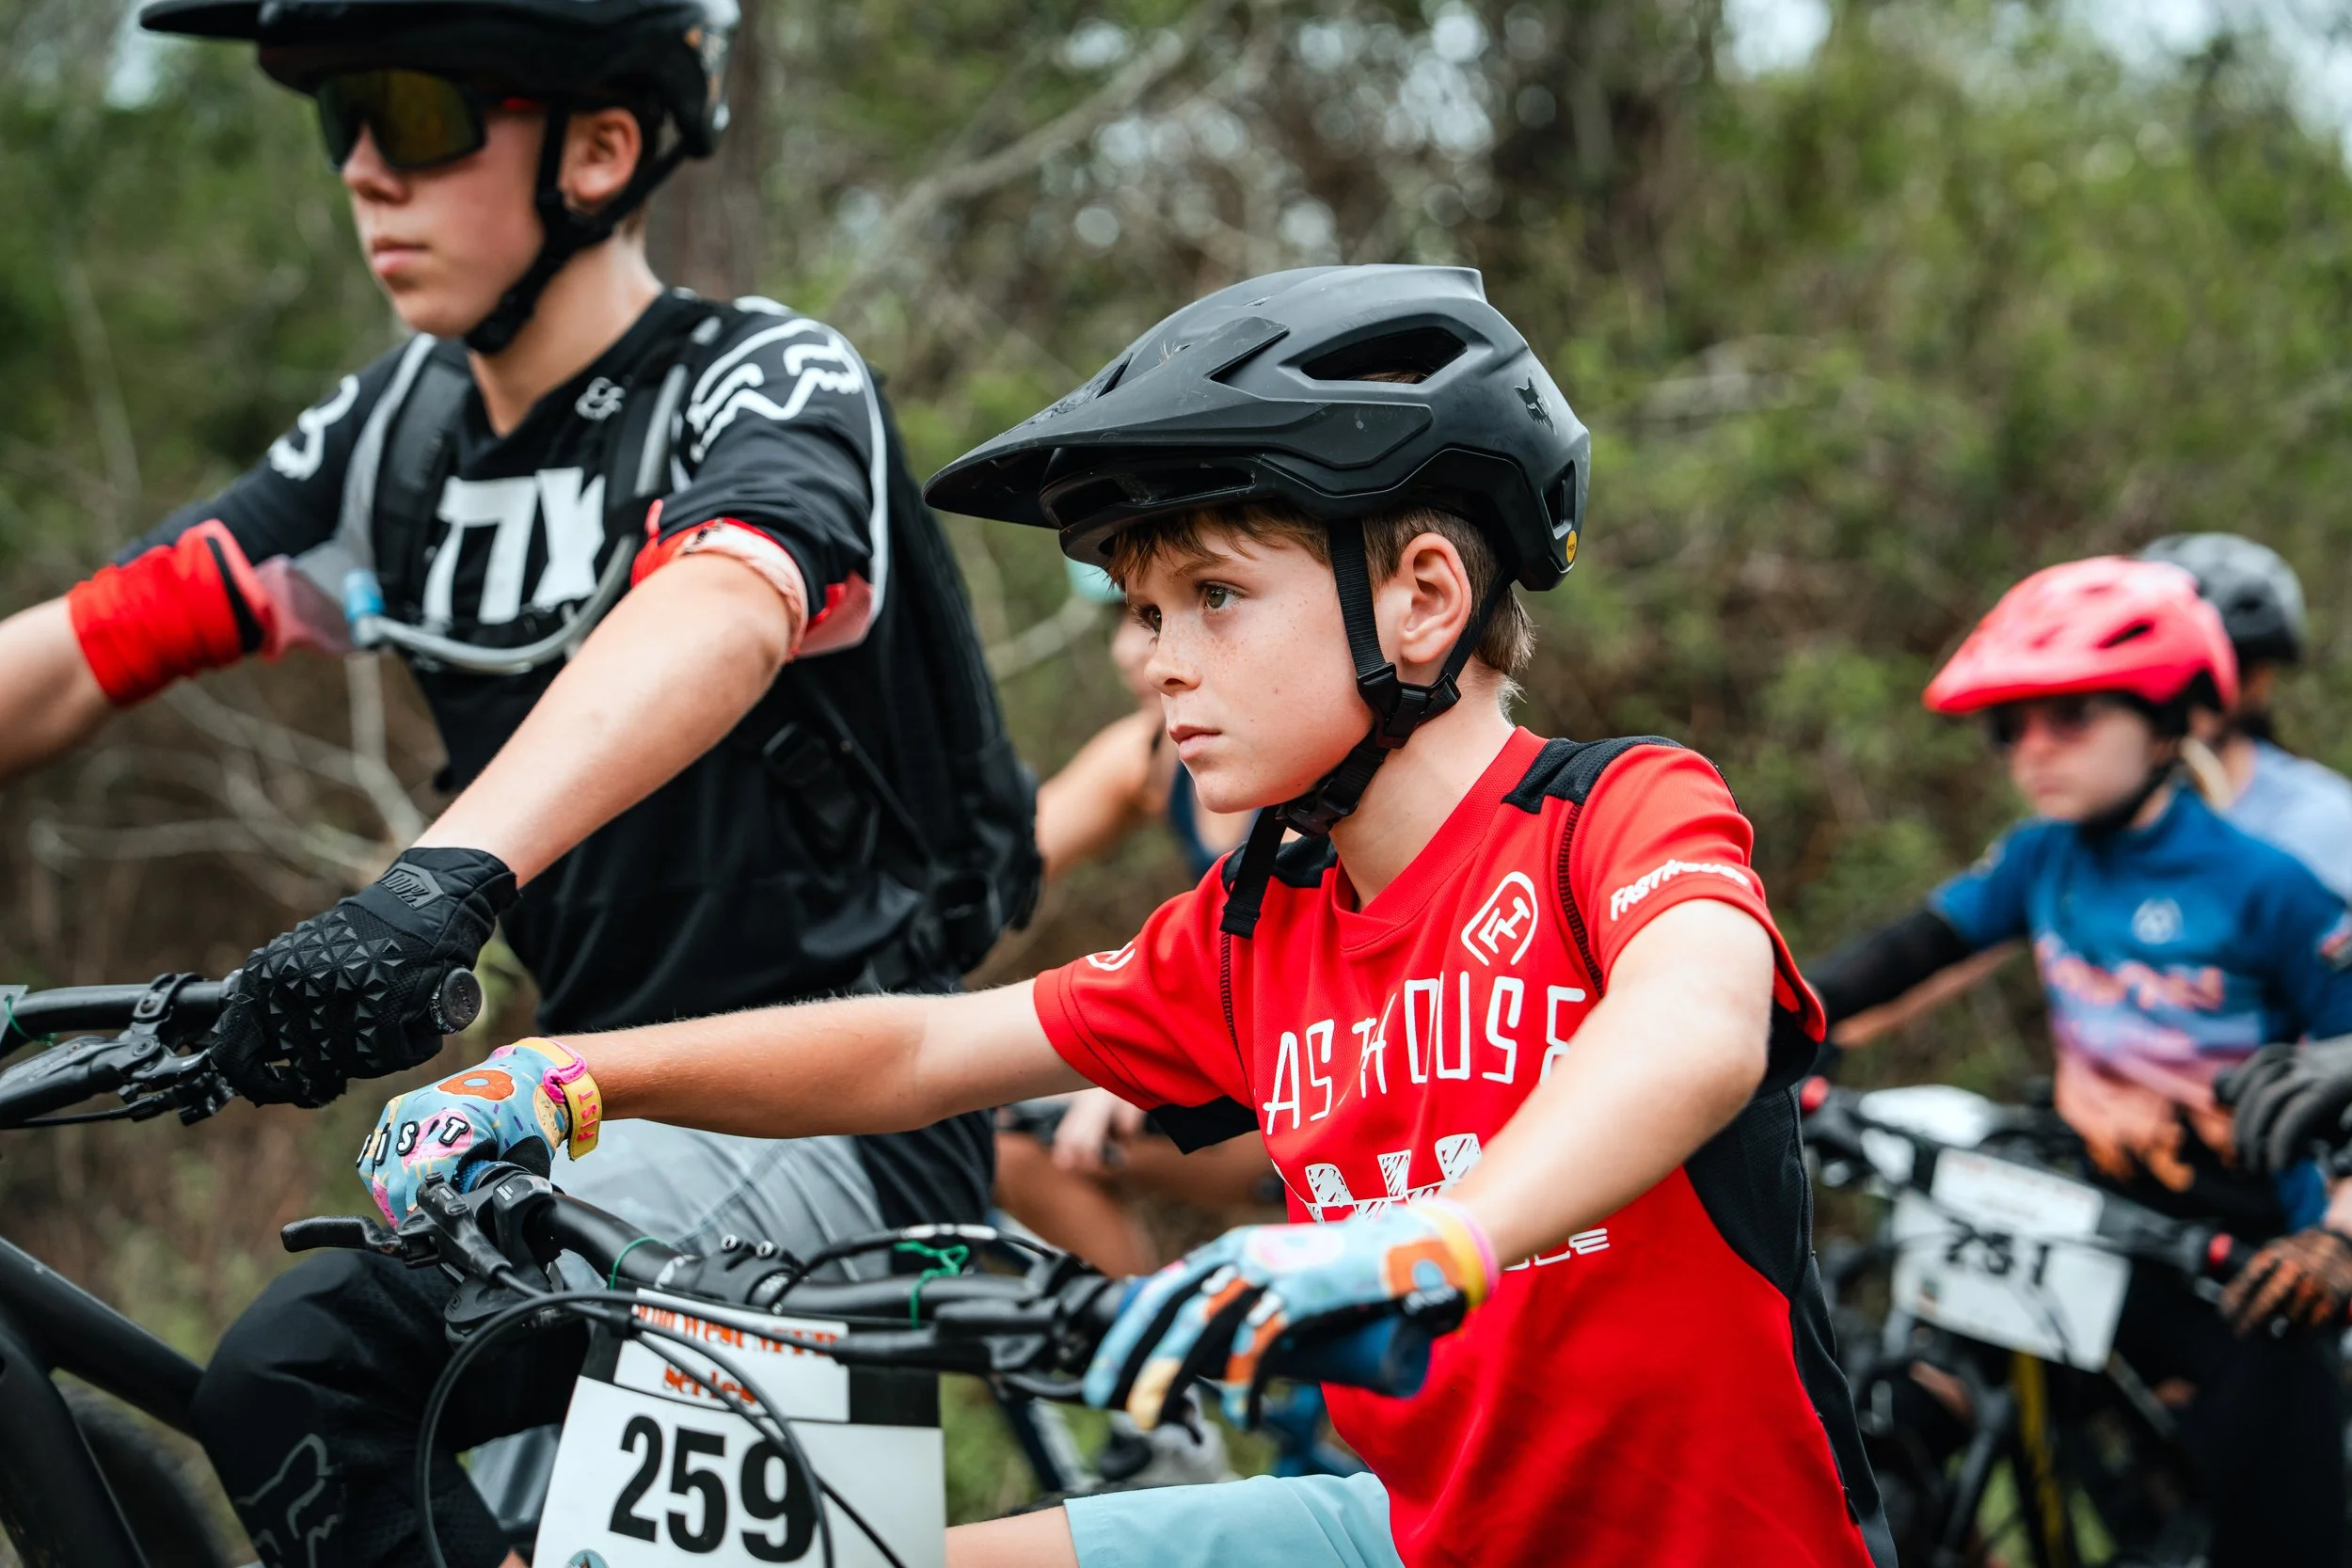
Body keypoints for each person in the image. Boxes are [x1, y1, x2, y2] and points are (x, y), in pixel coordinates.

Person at [359, 265, 1893, 1568]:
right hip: (1412, 1532)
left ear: (1421, 595)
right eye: (1143, 613)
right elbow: (921, 1049)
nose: (1156, 660)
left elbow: (1695, 1020)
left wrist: (1433, 1238)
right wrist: (575, 1076)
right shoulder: (1252, 924)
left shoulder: (1611, 812)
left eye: (1215, 595)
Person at [0, 1, 1037, 1561]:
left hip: (837, 1119)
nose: (362, 170)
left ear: (601, 148)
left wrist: (433, 886)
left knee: (306, 1369)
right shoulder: (393, 438)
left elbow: (724, 608)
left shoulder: (754, 375)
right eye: (336, 121)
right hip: (564, 1124)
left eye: (411, 114)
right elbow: (80, 652)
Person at [1804, 555, 2352, 1568]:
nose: (2030, 751)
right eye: (2009, 726)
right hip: (2092, 1232)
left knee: (2283, 1523)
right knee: (1907, 1402)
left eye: (2068, 717)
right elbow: (1902, 956)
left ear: (2170, 719)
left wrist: (2338, 1238)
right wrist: (1757, 1022)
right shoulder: (2040, 856)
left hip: (2240, 1273)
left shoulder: (2267, 888)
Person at [2140, 531, 2352, 900]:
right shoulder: (2100, 813)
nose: (2173, 696)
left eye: (2200, 677)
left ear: (2256, 681)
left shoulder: (2319, 822)